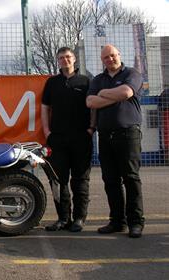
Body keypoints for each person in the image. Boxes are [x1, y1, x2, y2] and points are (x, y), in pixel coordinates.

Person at [86, 44, 145, 238]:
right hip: (105, 135)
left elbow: (126, 93)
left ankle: (136, 222)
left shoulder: (132, 74)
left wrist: (103, 94)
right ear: (102, 60)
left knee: (130, 178)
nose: (110, 59)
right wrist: (113, 95)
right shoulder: (98, 79)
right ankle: (117, 222)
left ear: (119, 55)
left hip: (128, 134)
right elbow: (90, 102)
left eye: (112, 55)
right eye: (105, 57)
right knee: (110, 180)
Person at [41, 47, 94, 232]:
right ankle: (63, 218)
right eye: (62, 58)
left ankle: (79, 218)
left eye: (68, 57)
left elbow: (93, 106)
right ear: (58, 61)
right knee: (58, 181)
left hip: (81, 138)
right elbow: (44, 108)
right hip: (57, 139)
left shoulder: (87, 81)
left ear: (74, 59)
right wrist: (47, 132)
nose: (65, 60)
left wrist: (91, 128)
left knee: (80, 180)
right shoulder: (52, 83)